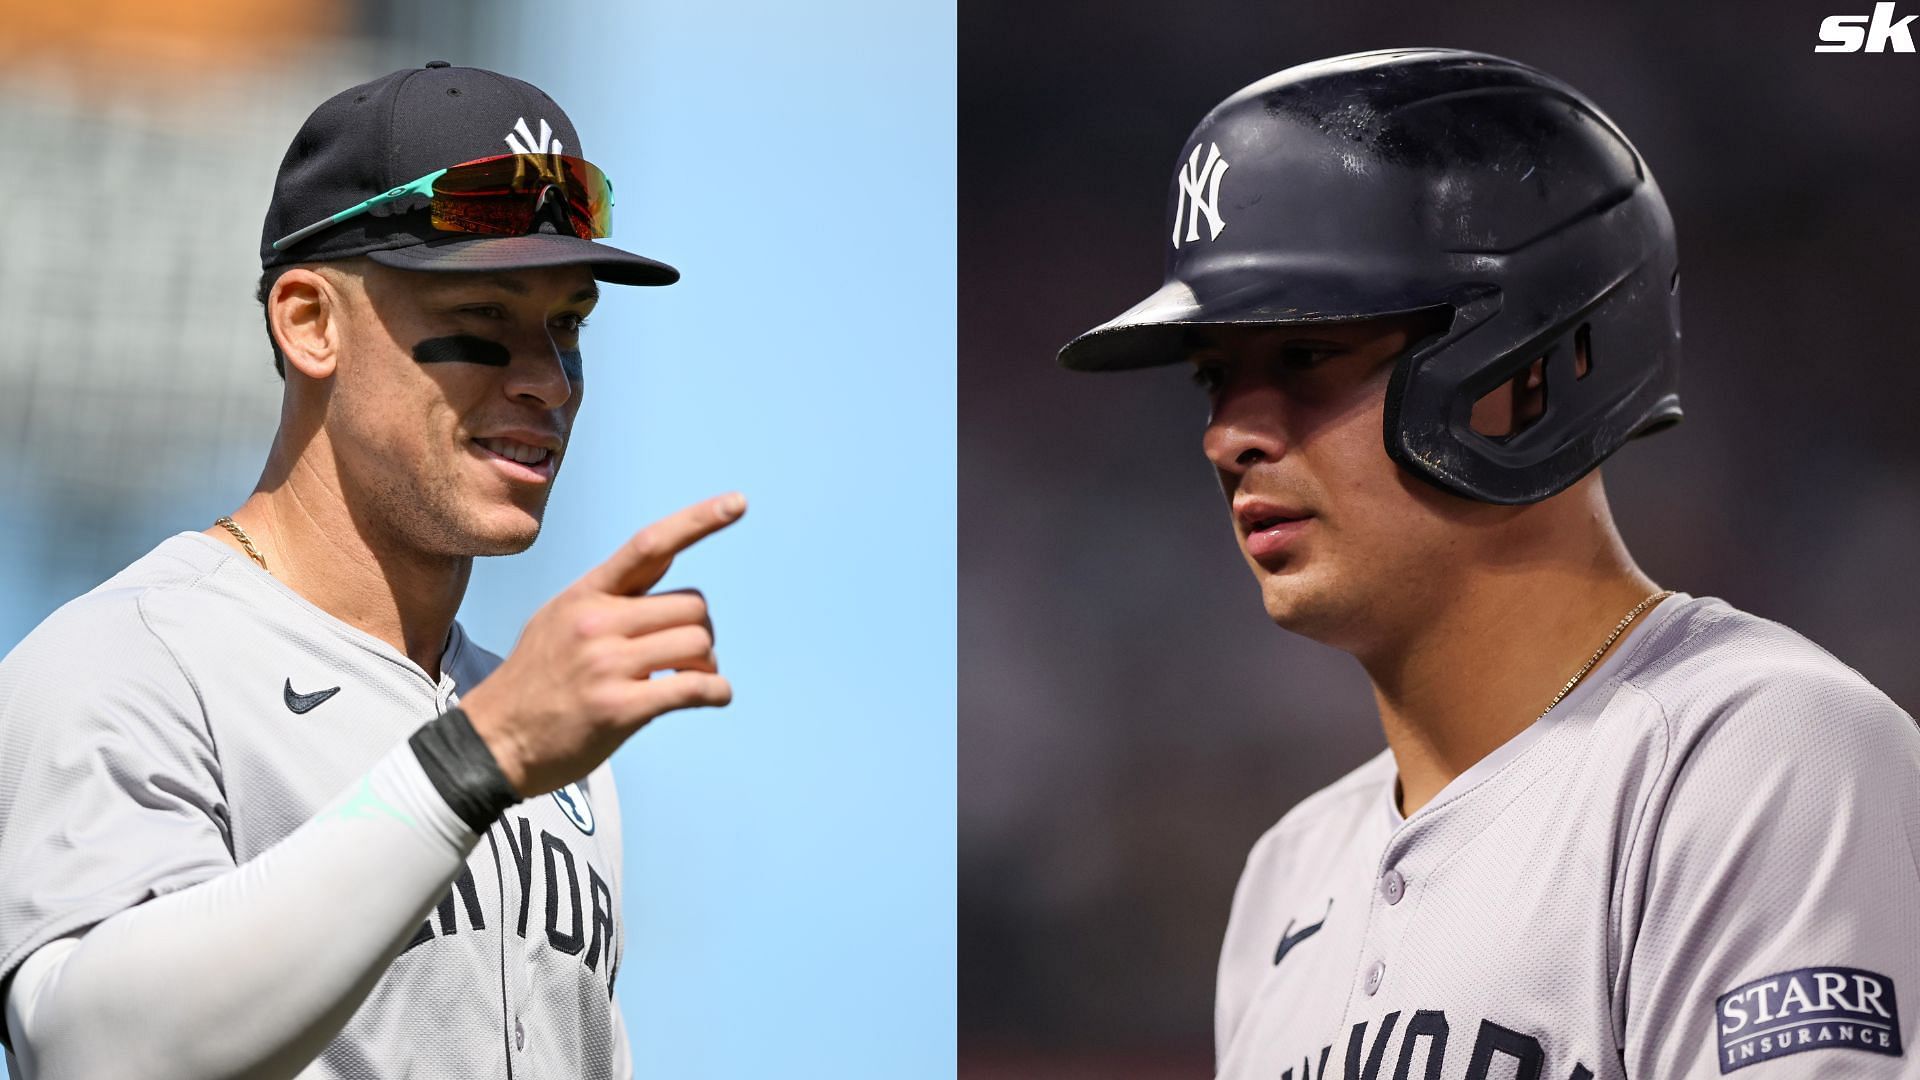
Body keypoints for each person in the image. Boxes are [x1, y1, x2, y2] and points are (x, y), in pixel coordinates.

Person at [1059, 48, 1919, 1078]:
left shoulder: (1752, 750)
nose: (1230, 436)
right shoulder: (1286, 877)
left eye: (1304, 356)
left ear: (1539, 364)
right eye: (1215, 380)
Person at [0, 62, 740, 1079]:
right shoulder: (128, 662)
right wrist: (473, 762)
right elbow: (94, 1052)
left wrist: (494, 742)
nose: (549, 381)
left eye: (569, 323)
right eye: (485, 321)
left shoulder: (544, 737)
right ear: (310, 322)